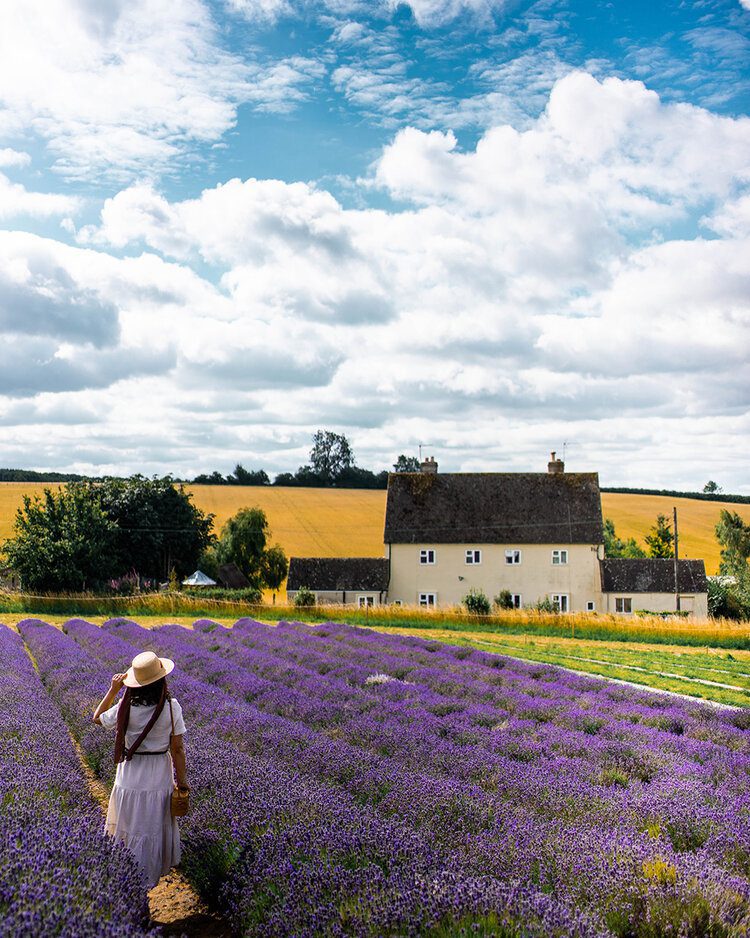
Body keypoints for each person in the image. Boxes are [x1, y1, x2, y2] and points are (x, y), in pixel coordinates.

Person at [93, 650, 189, 889]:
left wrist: (114, 690)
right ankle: (146, 882)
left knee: (129, 829)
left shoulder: (125, 706)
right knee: (151, 829)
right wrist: (183, 781)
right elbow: (177, 749)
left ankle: (130, 885)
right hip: (157, 777)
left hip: (129, 776)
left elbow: (97, 718)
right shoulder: (171, 707)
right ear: (161, 679)